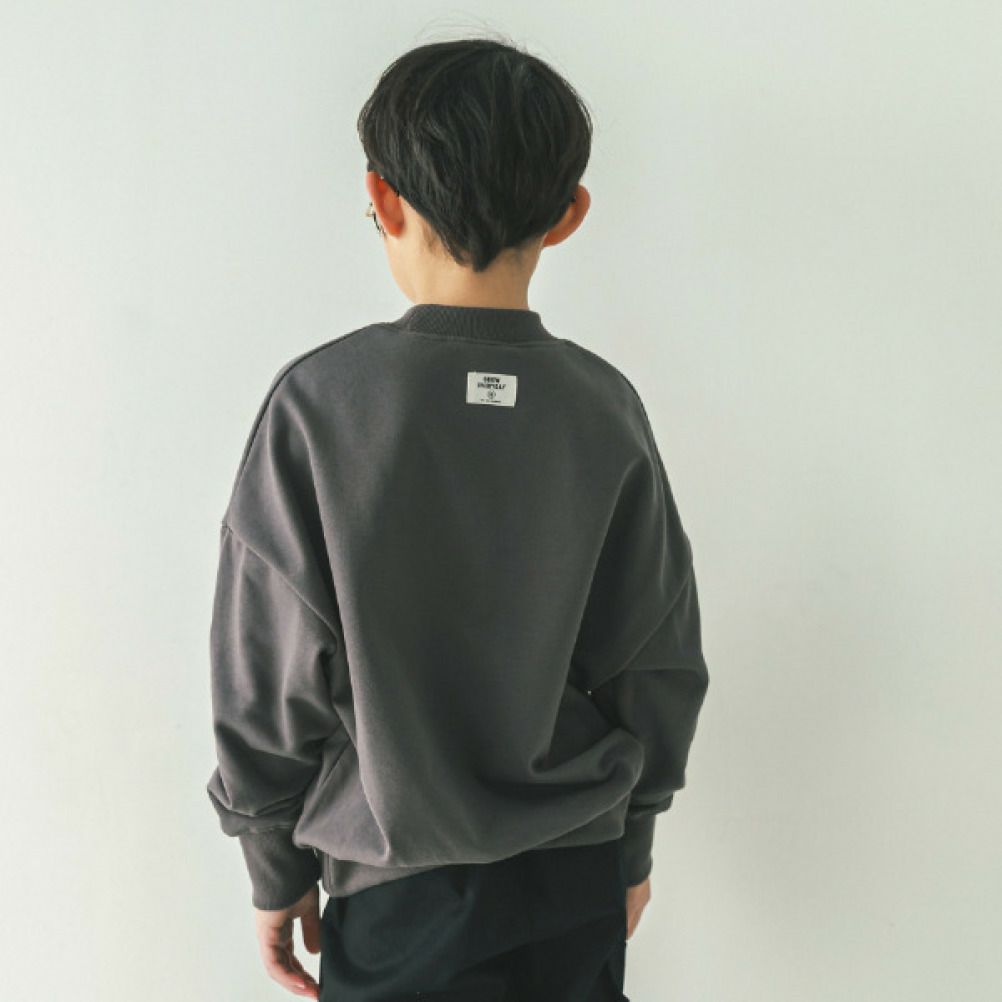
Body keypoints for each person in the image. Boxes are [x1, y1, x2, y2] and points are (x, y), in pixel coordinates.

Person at [205, 33, 710, 1002]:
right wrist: (632, 844)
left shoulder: (321, 405)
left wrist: (274, 867)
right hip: (573, 878)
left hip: (396, 896)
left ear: (384, 199)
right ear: (569, 215)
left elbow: (268, 674)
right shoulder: (603, 409)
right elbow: (654, 659)